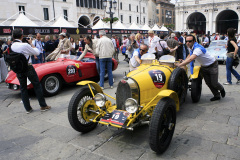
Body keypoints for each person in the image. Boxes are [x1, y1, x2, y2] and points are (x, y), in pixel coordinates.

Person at [11, 29, 51, 113]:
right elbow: (37, 52)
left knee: (23, 88)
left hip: (18, 69)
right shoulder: (25, 45)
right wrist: (31, 43)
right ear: (22, 36)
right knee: (37, 85)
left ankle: (28, 108)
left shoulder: (12, 46)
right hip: (28, 67)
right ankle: (43, 105)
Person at [175, 34, 225, 101]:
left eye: (190, 41)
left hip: (212, 65)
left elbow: (191, 59)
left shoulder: (197, 48)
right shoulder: (191, 47)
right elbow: (190, 55)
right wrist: (184, 61)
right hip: (204, 66)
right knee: (208, 83)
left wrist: (180, 65)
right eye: (186, 41)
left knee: (214, 83)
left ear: (194, 41)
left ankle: (221, 89)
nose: (188, 43)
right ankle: (216, 95)